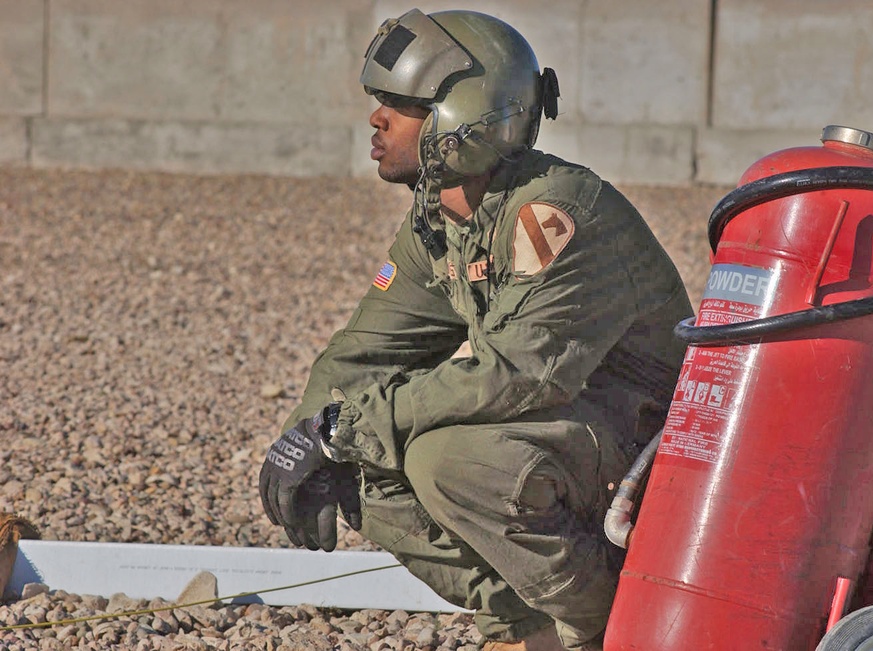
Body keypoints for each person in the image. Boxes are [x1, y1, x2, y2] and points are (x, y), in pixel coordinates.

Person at [258, 8, 692, 651]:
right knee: (365, 460)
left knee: (446, 460)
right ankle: (527, 630)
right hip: (567, 432)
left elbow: (517, 375)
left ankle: (611, 627)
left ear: (465, 116)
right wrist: (309, 433)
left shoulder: (555, 213)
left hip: (651, 450)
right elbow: (365, 353)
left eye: (400, 106)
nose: (376, 120)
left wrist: (344, 429)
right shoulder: (441, 221)